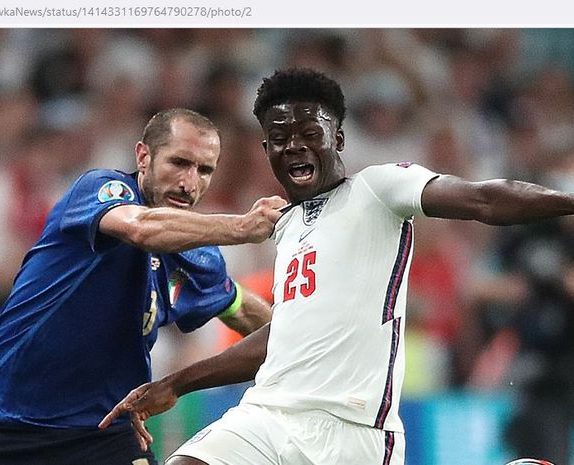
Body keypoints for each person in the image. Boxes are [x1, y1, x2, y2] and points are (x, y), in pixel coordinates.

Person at [100, 68, 574, 465]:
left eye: (310, 134)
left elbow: (484, 199)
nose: (295, 147)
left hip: (353, 431)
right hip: (265, 416)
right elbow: (284, 336)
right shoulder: (284, 228)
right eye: (280, 138)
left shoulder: (380, 189)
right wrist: (175, 384)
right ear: (267, 151)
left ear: (338, 138)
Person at [0, 108, 286, 465]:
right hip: (4, 421)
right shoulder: (101, 190)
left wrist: (304, 333)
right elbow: (141, 229)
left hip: (102, 431)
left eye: (204, 170)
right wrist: (241, 228)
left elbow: (237, 305)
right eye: (179, 163)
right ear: (143, 155)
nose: (190, 183)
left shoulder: (198, 254)